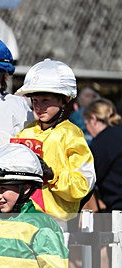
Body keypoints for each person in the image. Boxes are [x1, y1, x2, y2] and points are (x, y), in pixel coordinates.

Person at [14, 59, 95, 222]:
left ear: (64, 100)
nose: (38, 106)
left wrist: (52, 175)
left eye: (45, 100)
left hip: (55, 220)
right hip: (22, 216)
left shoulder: (71, 134)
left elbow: (84, 184)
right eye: (35, 100)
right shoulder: (25, 132)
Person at [83, 98, 122, 212]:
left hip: (117, 207)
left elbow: (90, 177)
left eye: (86, 124)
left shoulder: (101, 143)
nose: (88, 130)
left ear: (93, 119)